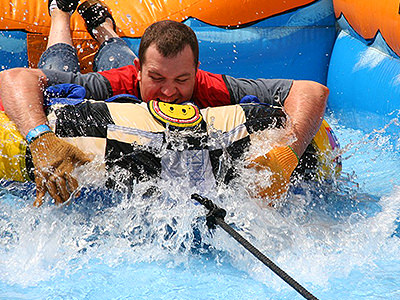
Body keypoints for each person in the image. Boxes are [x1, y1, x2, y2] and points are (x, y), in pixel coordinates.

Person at [0, 0, 329, 207]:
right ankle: (60, 14)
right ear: (139, 73)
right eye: (156, 79)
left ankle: (106, 31)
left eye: (181, 81)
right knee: (61, 66)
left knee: (115, 49)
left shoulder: (212, 86)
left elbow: (312, 91)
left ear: (196, 72)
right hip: (105, 91)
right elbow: (14, 78)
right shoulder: (115, 83)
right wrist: (40, 138)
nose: (169, 93)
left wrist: (288, 150)